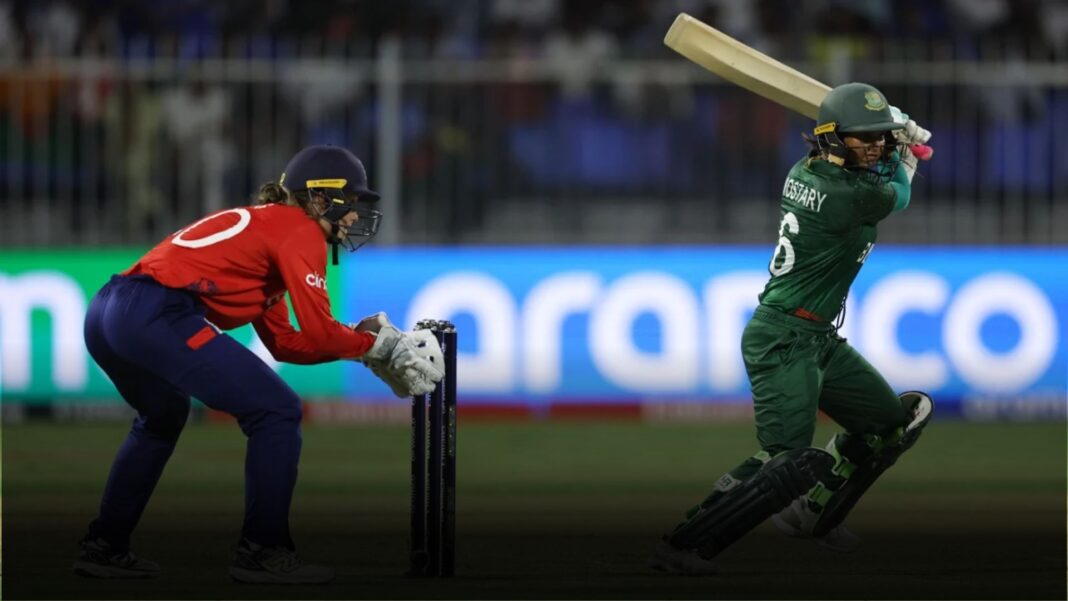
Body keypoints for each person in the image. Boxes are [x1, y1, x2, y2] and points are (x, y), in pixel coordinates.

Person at [74, 145, 444, 584]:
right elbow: (322, 332)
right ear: (320, 197)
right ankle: (262, 551)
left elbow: (286, 344)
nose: (353, 218)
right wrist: (375, 345)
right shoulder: (299, 230)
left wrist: (363, 348)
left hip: (108, 312)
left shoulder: (271, 229)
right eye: (351, 203)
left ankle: (105, 545)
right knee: (277, 411)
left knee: (163, 416)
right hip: (156, 312)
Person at [649, 83, 936, 575]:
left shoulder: (807, 170)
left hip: (817, 338)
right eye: (862, 137)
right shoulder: (843, 193)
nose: (873, 146)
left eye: (879, 137)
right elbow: (898, 197)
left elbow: (883, 182)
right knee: (787, 459)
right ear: (830, 137)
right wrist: (907, 149)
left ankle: (811, 515)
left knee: (890, 425)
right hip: (782, 339)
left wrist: (897, 140)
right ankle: (685, 543)